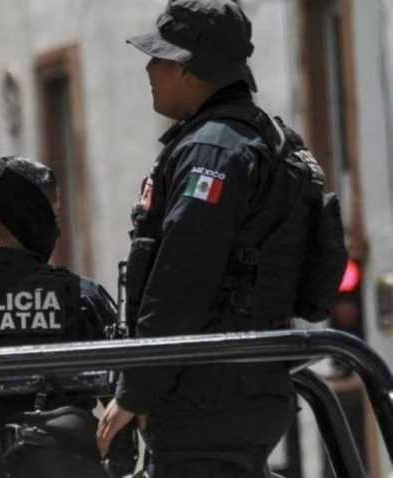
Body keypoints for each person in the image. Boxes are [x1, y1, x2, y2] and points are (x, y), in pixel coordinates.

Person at [96, 1, 335, 476]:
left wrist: (136, 390)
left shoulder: (214, 150)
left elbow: (183, 277)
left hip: (207, 397)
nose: (148, 69)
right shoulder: (263, 139)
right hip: (241, 389)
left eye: (159, 58)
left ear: (188, 69)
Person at [0, 156, 136, 477]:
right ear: (31, 216)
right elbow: (128, 392)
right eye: (53, 216)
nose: (57, 230)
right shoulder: (80, 297)